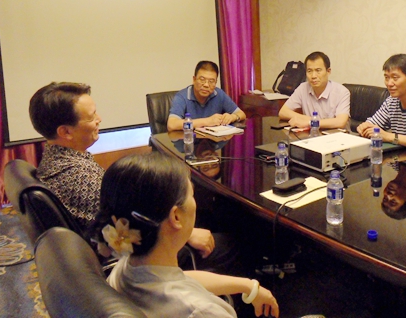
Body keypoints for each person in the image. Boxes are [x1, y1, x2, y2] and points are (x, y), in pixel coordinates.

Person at [29, 82, 221, 264]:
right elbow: (131, 226)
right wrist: (189, 234)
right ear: (65, 132)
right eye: (92, 117)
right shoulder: (78, 176)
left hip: (129, 238)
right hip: (141, 259)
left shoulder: (57, 159)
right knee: (231, 242)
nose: (99, 119)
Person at [92, 152, 279, 318]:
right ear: (176, 216)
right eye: (192, 194)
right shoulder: (202, 312)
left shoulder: (125, 267)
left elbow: (180, 279)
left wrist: (247, 286)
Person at [278, 51, 350, 130]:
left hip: (336, 136)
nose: (313, 76)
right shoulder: (303, 88)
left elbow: (340, 122)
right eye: (309, 71)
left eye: (318, 70)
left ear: (328, 71)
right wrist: (309, 119)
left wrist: (310, 122)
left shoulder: (342, 92)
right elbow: (283, 112)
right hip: (313, 134)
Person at [168, 61, 246, 131]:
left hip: (213, 140)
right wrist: (207, 121)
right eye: (202, 79)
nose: (206, 85)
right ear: (194, 80)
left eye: (211, 81)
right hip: (190, 140)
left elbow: (241, 114)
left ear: (215, 82)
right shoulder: (182, 96)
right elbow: (172, 125)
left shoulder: (219, 94)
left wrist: (232, 117)